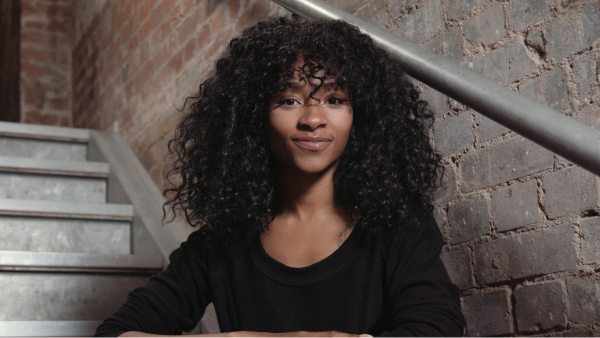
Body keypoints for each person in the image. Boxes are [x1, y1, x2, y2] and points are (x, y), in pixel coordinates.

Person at [94, 17, 465, 338]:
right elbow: (115, 332)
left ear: (361, 116)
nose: (313, 118)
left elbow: (437, 329)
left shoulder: (399, 223)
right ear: (254, 116)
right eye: (289, 100)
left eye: (334, 99)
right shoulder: (219, 242)